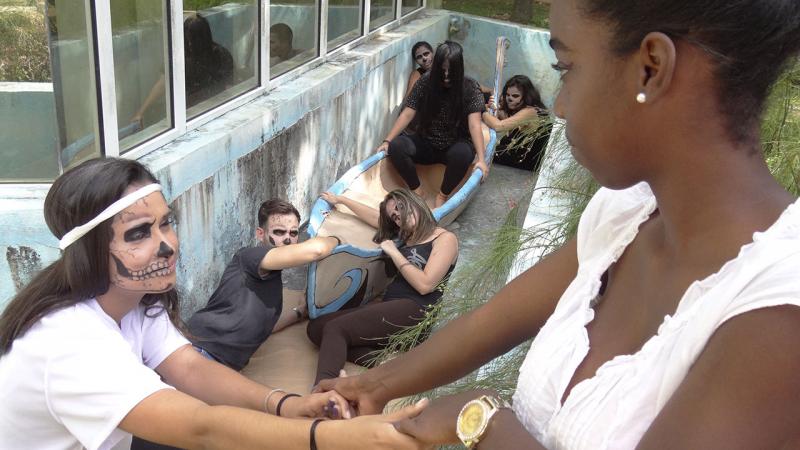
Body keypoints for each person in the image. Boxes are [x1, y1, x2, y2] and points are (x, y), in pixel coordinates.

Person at [317, 0, 800, 448]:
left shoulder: (778, 314)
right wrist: (368, 387)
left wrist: (481, 418)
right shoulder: (626, 214)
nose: (561, 104)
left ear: (651, 67)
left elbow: (482, 401)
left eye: (566, 68)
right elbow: (488, 325)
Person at [0, 157, 429, 450]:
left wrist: (287, 404)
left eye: (166, 223)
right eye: (138, 233)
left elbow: (189, 366)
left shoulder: (137, 299)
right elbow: (198, 427)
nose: (166, 244)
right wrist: (329, 438)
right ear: (90, 249)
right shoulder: (70, 342)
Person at [309, 189, 458, 385]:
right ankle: (385, 363)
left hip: (416, 311)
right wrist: (341, 200)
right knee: (316, 328)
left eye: (401, 208)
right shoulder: (406, 235)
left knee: (336, 329)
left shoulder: (444, 239)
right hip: (390, 308)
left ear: (415, 201)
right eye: (395, 217)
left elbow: (425, 285)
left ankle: (323, 390)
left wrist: (394, 252)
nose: (399, 217)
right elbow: (375, 218)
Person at [186, 199, 339, 371]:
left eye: (294, 233)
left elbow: (264, 327)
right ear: (260, 234)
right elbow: (316, 250)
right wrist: (336, 239)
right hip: (199, 350)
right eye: (279, 232)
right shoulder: (250, 256)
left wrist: (299, 313)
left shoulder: (272, 279)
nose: (288, 239)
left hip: (217, 363)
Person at [378, 41, 490, 208]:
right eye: (442, 71)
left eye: (450, 71)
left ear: (458, 69)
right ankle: (417, 191)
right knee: (397, 146)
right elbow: (408, 112)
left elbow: (474, 125)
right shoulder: (425, 81)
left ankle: (443, 195)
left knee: (463, 154)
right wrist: (387, 141)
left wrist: (481, 160)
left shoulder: (470, 87)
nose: (445, 75)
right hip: (427, 142)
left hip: (455, 144)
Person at [132, 14, 233, 126]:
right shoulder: (180, 59)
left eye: (193, 40)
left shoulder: (220, 56)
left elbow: (229, 88)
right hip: (187, 116)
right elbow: (163, 83)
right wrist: (140, 112)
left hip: (214, 112)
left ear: (203, 38)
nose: (190, 44)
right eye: (187, 40)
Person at [483, 75, 551, 171]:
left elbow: (499, 126)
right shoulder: (518, 108)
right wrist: (492, 108)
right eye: (508, 95)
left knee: (481, 150)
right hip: (515, 152)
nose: (509, 99)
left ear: (526, 96)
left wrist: (481, 110)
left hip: (524, 160)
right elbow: (504, 117)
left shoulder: (530, 111)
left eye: (515, 96)